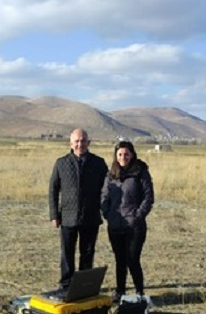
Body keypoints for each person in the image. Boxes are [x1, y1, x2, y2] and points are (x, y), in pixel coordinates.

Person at [48, 128, 109, 289]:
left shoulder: (99, 163)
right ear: (71, 143)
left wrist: (106, 209)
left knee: (87, 253)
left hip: (91, 216)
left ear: (88, 143)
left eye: (83, 141)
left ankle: (83, 284)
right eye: (77, 141)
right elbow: (53, 189)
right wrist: (54, 215)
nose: (80, 144)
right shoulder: (61, 163)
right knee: (67, 253)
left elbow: (107, 188)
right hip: (68, 217)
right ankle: (66, 284)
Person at [100, 140, 154, 302]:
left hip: (134, 226)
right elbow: (104, 196)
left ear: (132, 155)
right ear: (116, 156)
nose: (123, 157)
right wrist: (107, 213)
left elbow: (148, 197)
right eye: (120, 154)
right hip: (115, 225)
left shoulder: (141, 172)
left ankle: (139, 293)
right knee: (119, 260)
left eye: (126, 154)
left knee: (132, 259)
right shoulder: (111, 175)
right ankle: (120, 291)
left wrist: (138, 215)